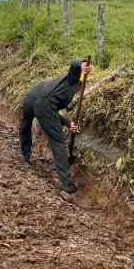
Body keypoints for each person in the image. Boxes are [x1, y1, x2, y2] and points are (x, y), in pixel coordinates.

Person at [19, 59, 92, 193]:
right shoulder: (71, 84)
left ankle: (25, 155)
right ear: (78, 73)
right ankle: (67, 184)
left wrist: (68, 123)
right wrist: (82, 64)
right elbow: (46, 108)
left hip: (30, 97)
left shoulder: (62, 81)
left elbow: (48, 110)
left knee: (25, 124)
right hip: (40, 101)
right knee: (58, 141)